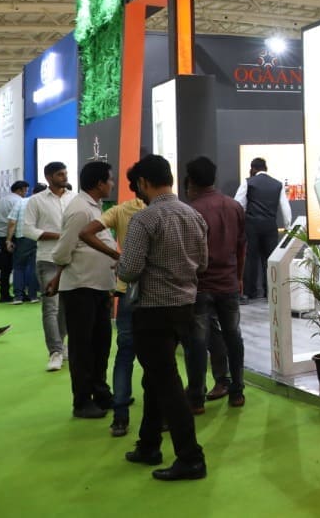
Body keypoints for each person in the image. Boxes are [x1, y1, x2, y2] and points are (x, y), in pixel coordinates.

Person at [117, 154, 209, 482]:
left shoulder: (145, 219)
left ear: (143, 182)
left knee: (166, 382)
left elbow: (129, 270)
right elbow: (203, 264)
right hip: (185, 306)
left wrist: (119, 266)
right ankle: (148, 444)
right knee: (155, 378)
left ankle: (191, 457)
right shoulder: (193, 215)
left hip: (153, 310)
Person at [72, 165, 147, 437]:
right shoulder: (167, 211)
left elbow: (85, 233)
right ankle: (159, 414)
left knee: (123, 353)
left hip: (126, 289)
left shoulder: (119, 210)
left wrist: (118, 257)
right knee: (158, 355)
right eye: (109, 180)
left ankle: (120, 416)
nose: (112, 184)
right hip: (158, 292)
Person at [51, 161, 116, 419]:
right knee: (82, 348)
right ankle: (82, 401)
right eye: (110, 179)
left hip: (97, 286)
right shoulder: (80, 209)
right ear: (99, 183)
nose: (112, 184)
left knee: (100, 344)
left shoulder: (93, 207)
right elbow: (62, 250)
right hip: (81, 287)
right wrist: (60, 273)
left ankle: (100, 392)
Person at [185, 156, 247, 412]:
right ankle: (237, 391)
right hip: (229, 282)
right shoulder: (234, 206)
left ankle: (196, 398)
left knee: (198, 343)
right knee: (233, 337)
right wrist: (239, 277)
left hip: (200, 286)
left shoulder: (191, 210)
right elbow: (242, 246)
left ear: (191, 181)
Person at [22, 162, 73, 371]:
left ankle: (61, 345)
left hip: (71, 259)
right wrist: (58, 235)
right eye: (60, 174)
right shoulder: (36, 200)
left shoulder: (74, 198)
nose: (64, 177)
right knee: (51, 307)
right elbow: (27, 230)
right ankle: (55, 351)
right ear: (49, 177)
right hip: (48, 259)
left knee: (66, 307)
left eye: (65, 173)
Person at [235, 157, 292, 301]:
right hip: (270, 226)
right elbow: (285, 207)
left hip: (251, 226)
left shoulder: (248, 182)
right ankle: (270, 291)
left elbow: (238, 204)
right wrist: (288, 226)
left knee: (250, 259)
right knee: (270, 259)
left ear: (253, 169)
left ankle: (250, 292)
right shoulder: (278, 184)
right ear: (266, 168)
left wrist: (239, 223)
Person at [0, 181, 28, 303]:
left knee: (5, 267)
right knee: (19, 266)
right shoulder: (19, 201)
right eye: (25, 190)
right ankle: (20, 293)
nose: (26, 193)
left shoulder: (1, 200)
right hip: (13, 236)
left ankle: (4, 294)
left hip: (1, 235)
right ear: (20, 190)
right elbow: (14, 222)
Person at [4, 181, 36, 302]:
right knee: (34, 267)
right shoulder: (44, 204)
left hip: (23, 237)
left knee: (19, 267)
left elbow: (12, 222)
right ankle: (33, 295)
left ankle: (18, 296)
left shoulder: (22, 202)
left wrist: (8, 240)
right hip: (39, 237)